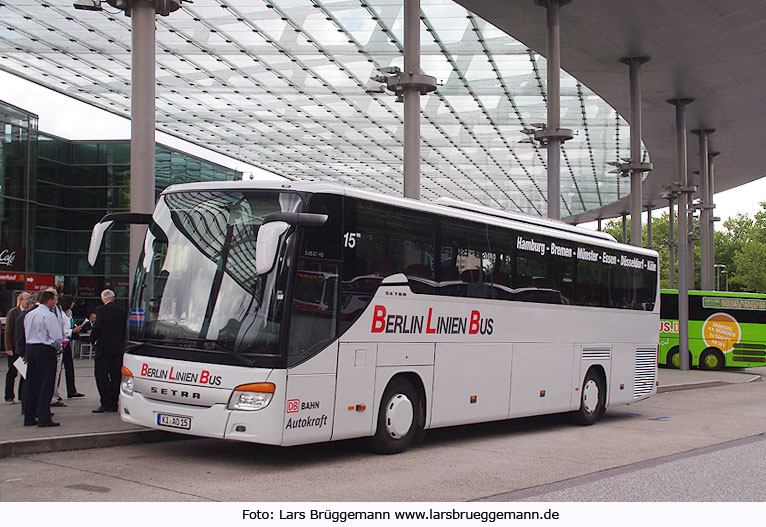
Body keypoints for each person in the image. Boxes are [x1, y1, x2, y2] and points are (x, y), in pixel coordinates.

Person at [22, 290, 63, 427]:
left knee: (31, 383)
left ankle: (29, 416)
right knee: (46, 383)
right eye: (54, 301)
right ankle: (44, 417)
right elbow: (56, 337)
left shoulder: (30, 314)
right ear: (49, 301)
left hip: (32, 348)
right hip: (45, 349)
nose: (55, 303)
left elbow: (26, 333)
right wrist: (58, 348)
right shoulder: (49, 315)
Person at [91, 289, 127, 413]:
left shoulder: (100, 310)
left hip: (104, 349)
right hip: (118, 349)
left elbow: (97, 327)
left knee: (101, 376)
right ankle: (113, 403)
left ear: (103, 299)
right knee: (116, 376)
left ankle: (105, 402)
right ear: (113, 298)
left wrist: (92, 339)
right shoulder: (122, 311)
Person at [4, 292, 30, 404]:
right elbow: (8, 331)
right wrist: (8, 347)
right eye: (26, 300)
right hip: (14, 346)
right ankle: (9, 395)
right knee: (12, 372)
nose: (28, 302)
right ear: (21, 300)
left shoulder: (29, 313)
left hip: (23, 347)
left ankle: (22, 395)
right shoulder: (13, 313)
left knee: (24, 372)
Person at [58, 294, 84, 399]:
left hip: (67, 342)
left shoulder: (70, 312)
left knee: (69, 366)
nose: (73, 304)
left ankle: (72, 390)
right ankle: (55, 391)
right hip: (61, 341)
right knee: (58, 368)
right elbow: (61, 328)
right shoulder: (59, 313)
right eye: (72, 302)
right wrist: (72, 331)